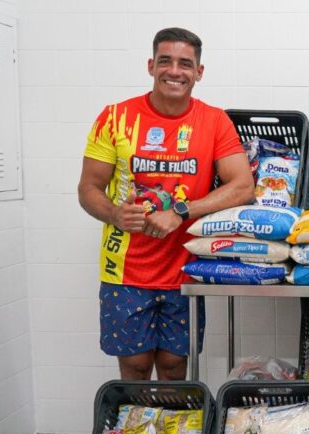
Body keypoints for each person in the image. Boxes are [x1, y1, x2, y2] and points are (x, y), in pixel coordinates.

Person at [78, 28, 254, 380]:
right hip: (124, 271)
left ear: (199, 72)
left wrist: (180, 212)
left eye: (185, 63)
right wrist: (115, 213)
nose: (175, 71)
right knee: (136, 365)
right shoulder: (115, 118)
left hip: (185, 270)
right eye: (165, 61)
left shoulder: (215, 120)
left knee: (175, 367)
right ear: (151, 66)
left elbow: (243, 187)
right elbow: (88, 189)